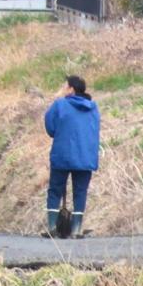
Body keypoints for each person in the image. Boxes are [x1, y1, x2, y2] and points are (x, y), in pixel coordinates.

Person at [42, 74, 100, 238]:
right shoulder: (93, 107)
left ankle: (53, 227)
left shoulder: (60, 105)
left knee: (55, 190)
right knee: (80, 192)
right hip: (86, 156)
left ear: (71, 89)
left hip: (63, 155)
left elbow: (50, 127)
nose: (62, 90)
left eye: (64, 86)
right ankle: (76, 229)